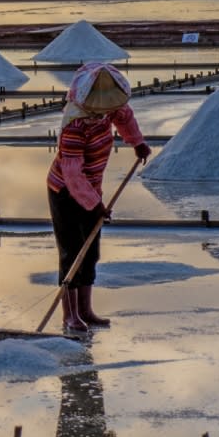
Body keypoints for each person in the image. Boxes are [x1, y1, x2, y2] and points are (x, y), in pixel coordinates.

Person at [47, 61, 151, 332]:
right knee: (72, 252)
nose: (108, 112)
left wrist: (137, 142)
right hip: (67, 192)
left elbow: (124, 116)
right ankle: (69, 315)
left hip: (92, 191)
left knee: (90, 252)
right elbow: (72, 174)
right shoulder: (75, 125)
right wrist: (95, 206)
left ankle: (86, 311)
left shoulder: (105, 108)